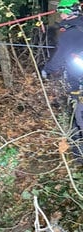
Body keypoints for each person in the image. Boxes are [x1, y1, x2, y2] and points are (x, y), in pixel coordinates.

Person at [41, 0, 83, 161]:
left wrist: (47, 70)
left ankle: (80, 155)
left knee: (79, 116)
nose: (61, 15)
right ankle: (78, 153)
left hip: (78, 81)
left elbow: (59, 58)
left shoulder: (70, 34)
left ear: (71, 13)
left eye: (63, 12)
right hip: (78, 80)